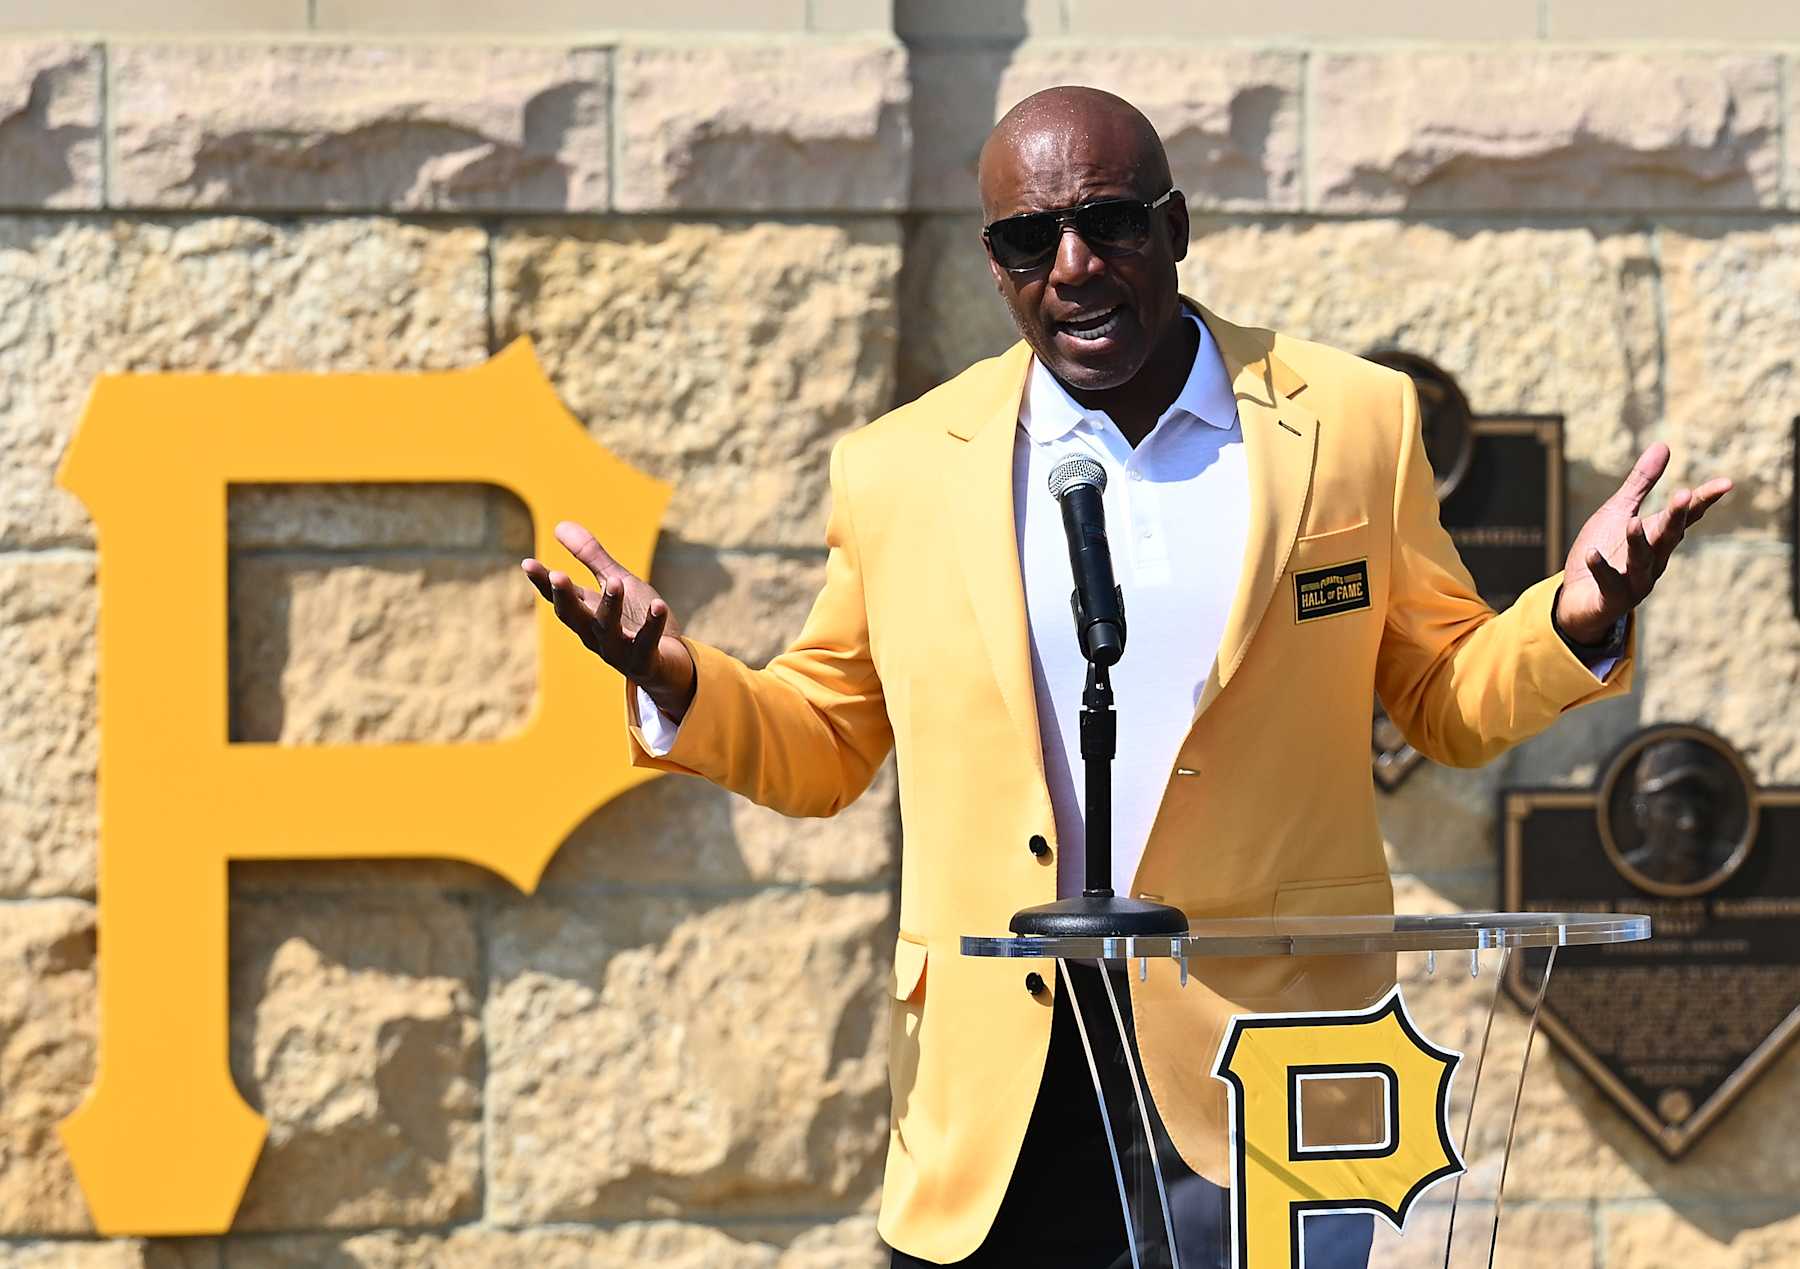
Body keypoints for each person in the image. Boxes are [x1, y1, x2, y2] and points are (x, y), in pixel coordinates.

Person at [520, 88, 1732, 1266]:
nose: (1074, 266)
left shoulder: (1353, 425)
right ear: (996, 266)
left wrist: (1574, 618)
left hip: (1262, 1071)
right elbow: (825, 741)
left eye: (1108, 222)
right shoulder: (901, 471)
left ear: (1175, 228)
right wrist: (678, 680)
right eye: (1026, 239)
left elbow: (1446, 699)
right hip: (1001, 1088)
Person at [1620, 738, 1740, 887]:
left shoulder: (1735, 863)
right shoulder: (1622, 871)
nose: (1690, 822)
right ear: (1642, 813)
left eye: (1700, 806)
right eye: (1672, 808)